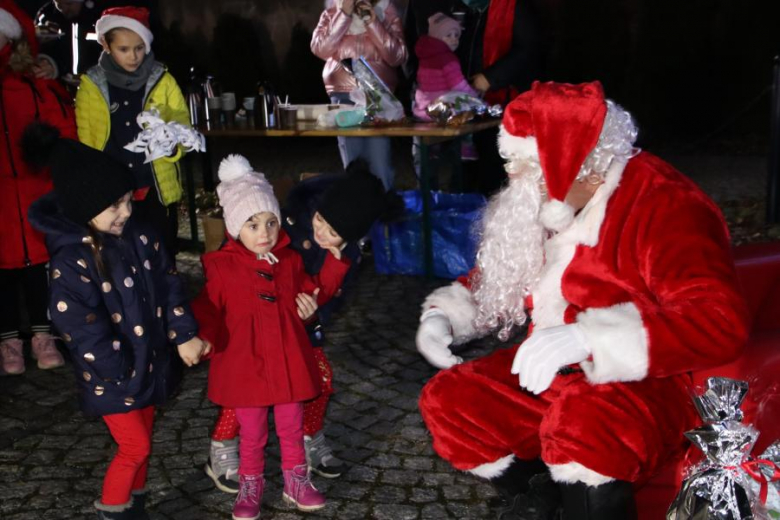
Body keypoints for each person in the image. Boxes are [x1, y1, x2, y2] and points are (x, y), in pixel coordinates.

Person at [414, 81, 750, 519]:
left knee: (583, 423)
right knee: (452, 401)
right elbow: (502, 269)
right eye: (510, 161)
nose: (513, 177)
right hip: (554, 374)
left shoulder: (665, 203)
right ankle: (543, 498)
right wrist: (446, 315)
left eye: (527, 166)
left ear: (585, 168)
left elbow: (717, 319)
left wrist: (590, 339)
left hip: (645, 383)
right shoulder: (551, 198)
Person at [24, 122, 208, 520]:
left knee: (145, 439)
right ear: (83, 208)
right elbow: (81, 329)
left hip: (148, 363)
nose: (127, 211)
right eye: (114, 206)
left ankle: (135, 504)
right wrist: (120, 367)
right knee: (135, 447)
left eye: (127, 200)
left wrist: (183, 335)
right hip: (113, 376)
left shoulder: (141, 235)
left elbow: (169, 284)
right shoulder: (72, 261)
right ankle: (113, 509)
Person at [202, 160, 401, 493]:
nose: (322, 232)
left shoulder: (344, 252)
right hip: (255, 327)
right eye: (321, 221)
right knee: (248, 389)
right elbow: (239, 256)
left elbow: (324, 293)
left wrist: (311, 309)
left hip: (300, 326)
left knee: (318, 377)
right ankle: (222, 446)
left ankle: (308, 435)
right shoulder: (281, 224)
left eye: (333, 233)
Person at [192, 154, 352, 519]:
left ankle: (296, 481)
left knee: (291, 425)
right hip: (245, 364)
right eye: (252, 225)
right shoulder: (222, 267)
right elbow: (208, 307)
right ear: (235, 227)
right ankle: (251, 484)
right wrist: (201, 337)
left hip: (287, 359)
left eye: (270, 222)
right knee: (251, 431)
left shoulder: (290, 261)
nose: (264, 233)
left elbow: (312, 294)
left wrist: (333, 266)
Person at [75, 6, 189, 262]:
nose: (133, 56)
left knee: (162, 250)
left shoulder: (162, 79)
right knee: (121, 255)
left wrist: (173, 144)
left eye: (139, 48)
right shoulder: (92, 85)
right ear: (106, 44)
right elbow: (87, 138)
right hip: (113, 189)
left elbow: (181, 121)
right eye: (124, 49)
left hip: (155, 184)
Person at [0, 0, 74, 375]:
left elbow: (61, 124)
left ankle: (44, 335)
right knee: (3, 271)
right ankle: (8, 340)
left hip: (33, 189)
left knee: (39, 266)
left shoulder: (31, 80)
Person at [406, 0, 545, 195]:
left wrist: (489, 78)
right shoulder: (468, 9)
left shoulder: (515, 7)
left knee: (496, 175)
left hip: (505, 104)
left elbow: (528, 50)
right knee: (467, 174)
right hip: (467, 106)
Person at [310, 0, 408, 191]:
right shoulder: (331, 12)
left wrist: (373, 23)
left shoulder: (385, 11)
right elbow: (320, 49)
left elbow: (398, 56)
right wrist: (343, 16)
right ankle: (355, 213)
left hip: (377, 97)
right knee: (353, 162)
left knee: (379, 161)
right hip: (344, 95)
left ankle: (384, 212)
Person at [412, 12, 477, 121]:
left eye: (456, 35)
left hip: (425, 107)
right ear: (437, 37)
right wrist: (473, 97)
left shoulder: (425, 56)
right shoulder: (447, 58)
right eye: (448, 35)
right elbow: (458, 84)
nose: (454, 39)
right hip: (444, 108)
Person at [34, 0, 103, 83]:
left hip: (98, 86)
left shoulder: (102, 15)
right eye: (58, 4)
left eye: (68, 3)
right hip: (60, 87)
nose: (63, 8)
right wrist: (49, 64)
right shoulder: (47, 14)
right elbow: (38, 48)